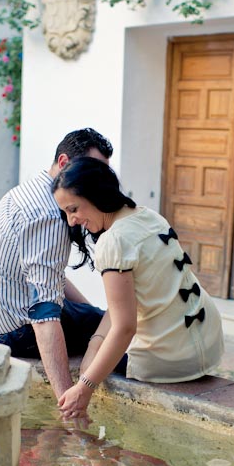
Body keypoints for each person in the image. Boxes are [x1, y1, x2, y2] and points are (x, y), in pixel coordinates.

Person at [52, 157, 224, 421]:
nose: (72, 221)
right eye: (65, 213)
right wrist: (95, 345)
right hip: (208, 341)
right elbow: (124, 302)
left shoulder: (113, 241)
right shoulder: (147, 215)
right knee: (96, 339)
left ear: (95, 194)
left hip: (170, 359)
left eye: (73, 208)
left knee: (83, 335)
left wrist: (84, 387)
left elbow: (125, 327)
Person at [0, 128, 112, 400]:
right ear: (64, 163)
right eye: (91, 170)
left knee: (100, 321)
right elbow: (44, 314)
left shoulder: (31, 192)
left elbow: (51, 279)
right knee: (116, 334)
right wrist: (66, 399)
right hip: (15, 334)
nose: (97, 182)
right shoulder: (50, 216)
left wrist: (90, 315)